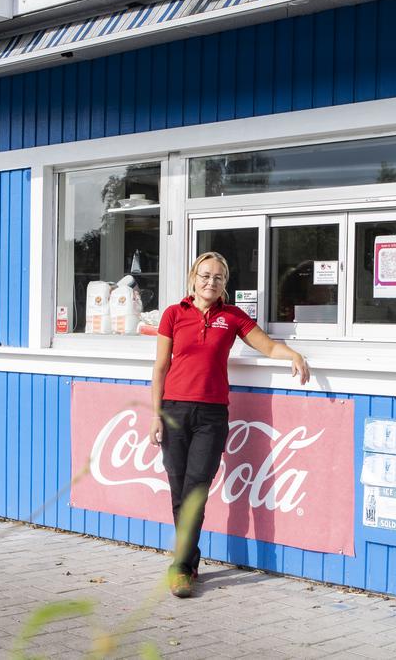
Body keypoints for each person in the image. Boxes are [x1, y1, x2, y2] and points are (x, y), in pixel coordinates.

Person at [150, 251, 310, 598]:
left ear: (225, 283)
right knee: (179, 491)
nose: (211, 282)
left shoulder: (232, 316)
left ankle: (181, 566)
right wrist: (155, 414)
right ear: (193, 278)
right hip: (174, 412)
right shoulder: (174, 314)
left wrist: (294, 355)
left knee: (196, 490)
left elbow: (267, 347)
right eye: (205, 275)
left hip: (211, 416)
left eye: (218, 277)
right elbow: (160, 367)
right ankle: (189, 561)